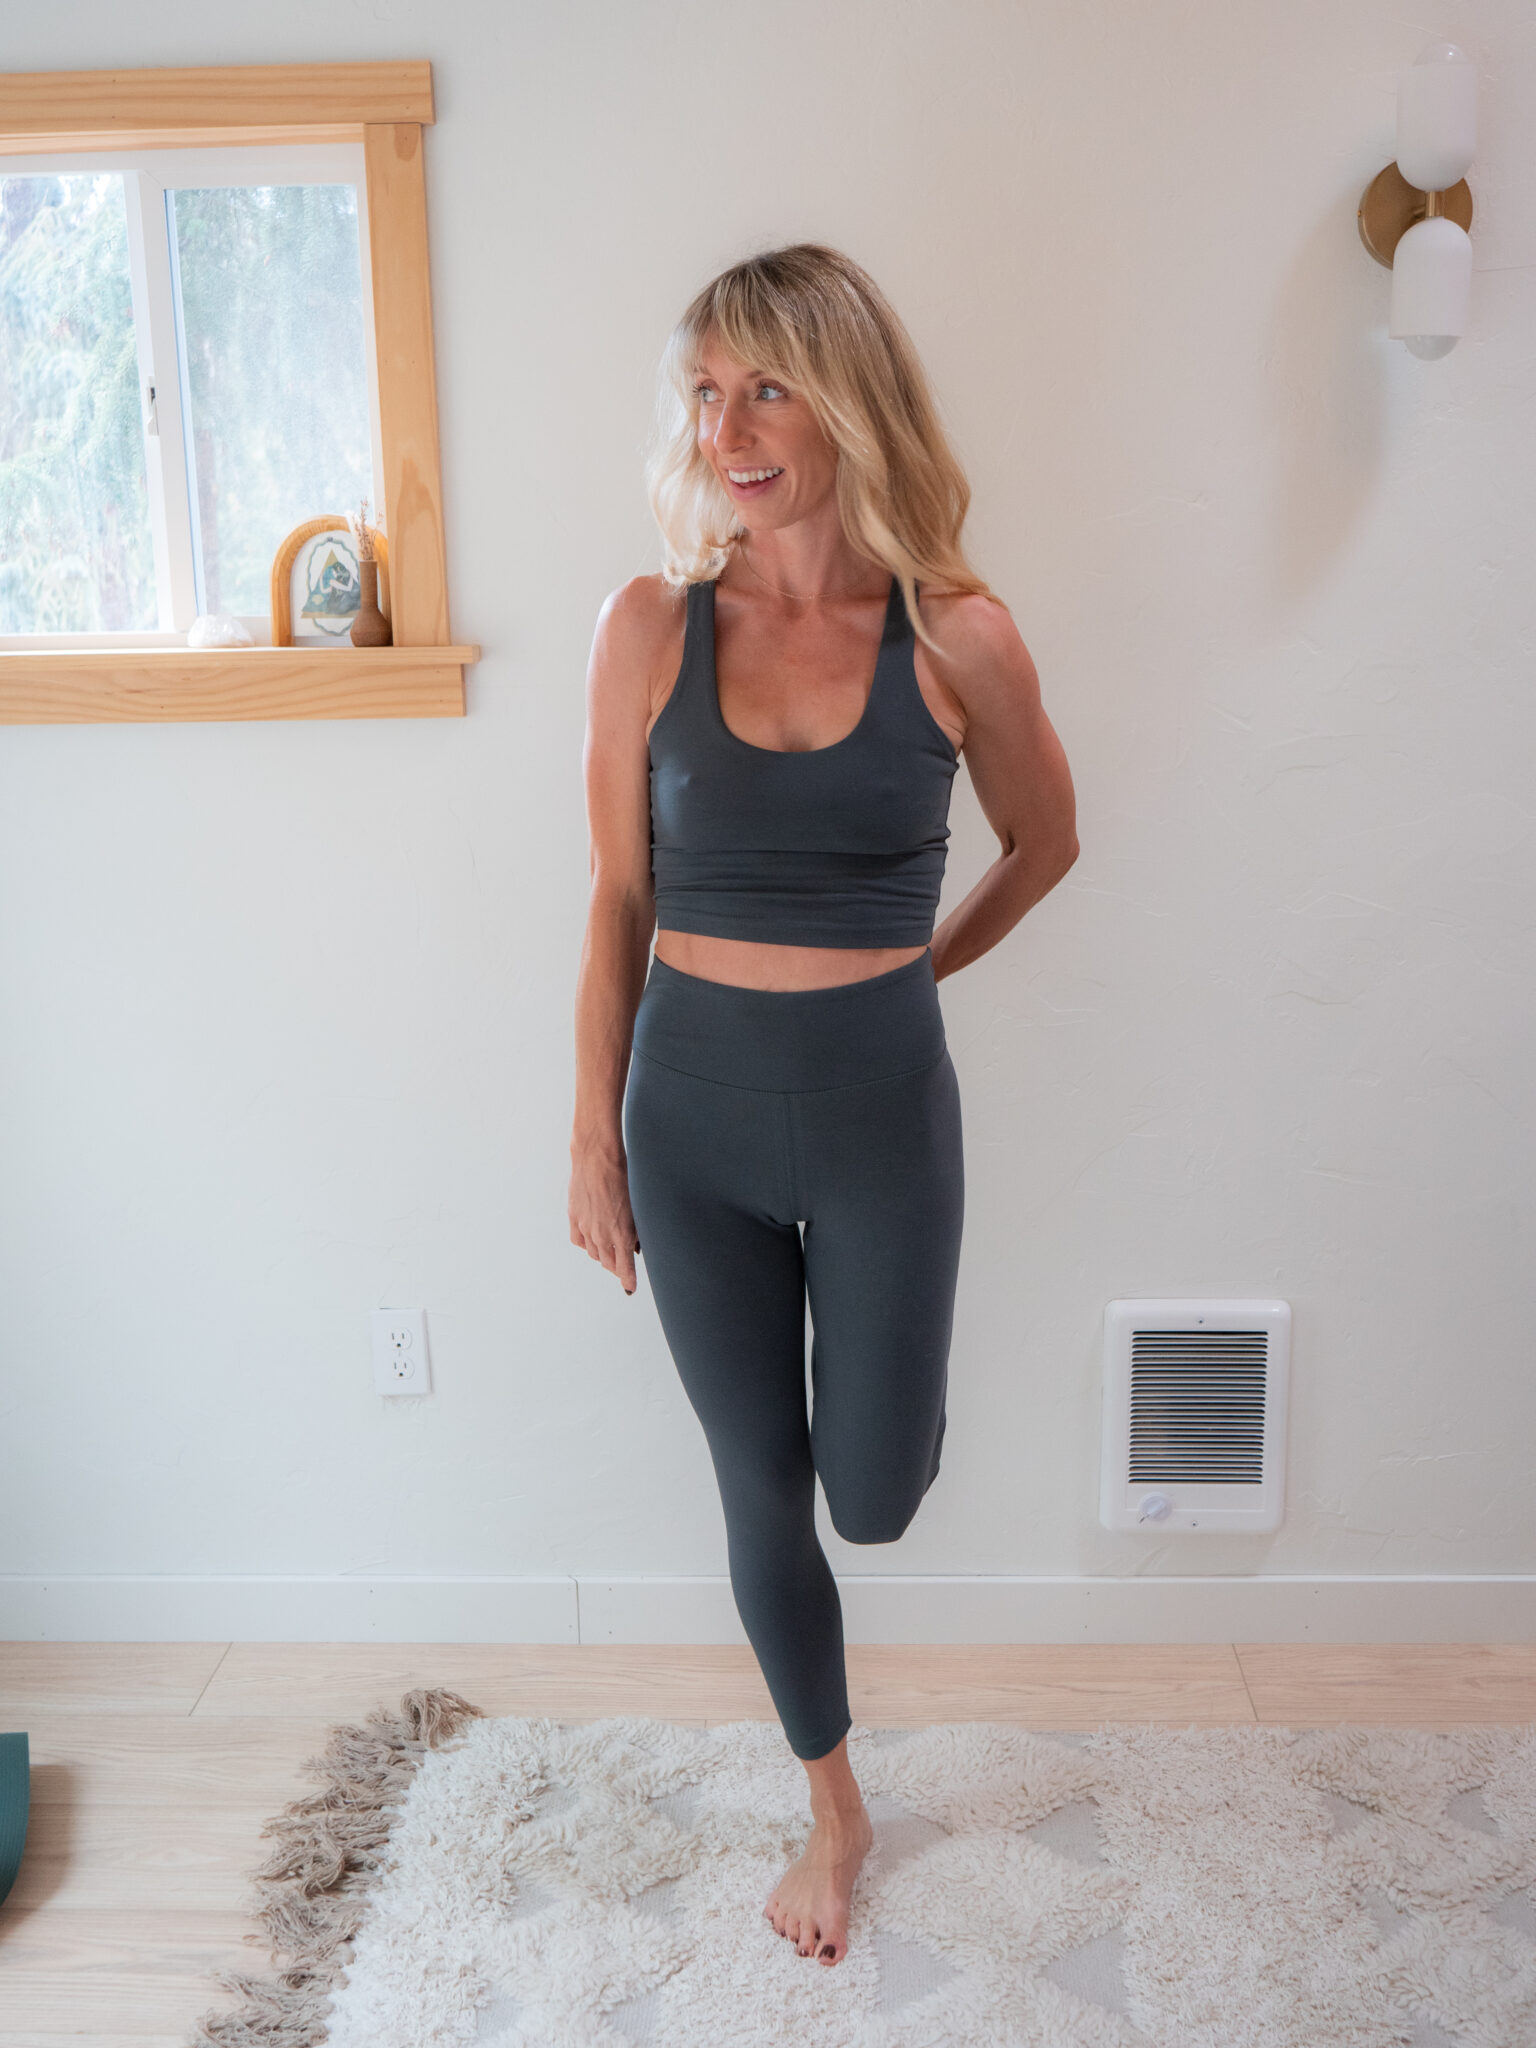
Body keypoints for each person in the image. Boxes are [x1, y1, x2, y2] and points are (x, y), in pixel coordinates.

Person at [568, 243, 1078, 1970]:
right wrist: (588, 1136)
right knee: (759, 1490)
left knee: (873, 1493)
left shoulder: (957, 633)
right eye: (705, 391)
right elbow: (617, 909)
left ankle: (887, 1425)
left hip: (875, 1121)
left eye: (765, 384)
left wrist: (912, 975)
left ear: (845, 392)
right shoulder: (648, 627)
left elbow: (1048, 842)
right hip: (687, 1125)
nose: (730, 426)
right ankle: (835, 1805)